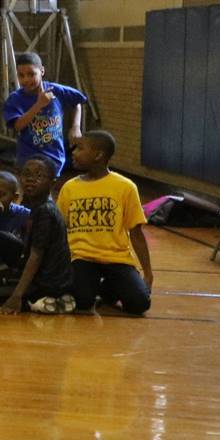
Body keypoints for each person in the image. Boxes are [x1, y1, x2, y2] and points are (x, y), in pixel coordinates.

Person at [53, 130, 153, 316]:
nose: (73, 152)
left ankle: (108, 287)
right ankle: (93, 288)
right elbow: (59, 231)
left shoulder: (125, 187)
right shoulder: (70, 187)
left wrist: (148, 272)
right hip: (81, 258)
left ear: (98, 155)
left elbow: (137, 233)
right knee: (82, 303)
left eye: (80, 148)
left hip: (117, 258)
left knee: (139, 304)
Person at [0, 159, 75, 316]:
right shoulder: (32, 206)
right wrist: (0, 269)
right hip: (34, 274)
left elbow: (36, 256)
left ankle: (52, 300)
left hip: (47, 282)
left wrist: (16, 296)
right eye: (26, 174)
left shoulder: (45, 211)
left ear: (52, 183)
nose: (30, 179)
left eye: (39, 175)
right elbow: (25, 251)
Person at [3, 51, 88, 179]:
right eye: (21, 75)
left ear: (42, 71)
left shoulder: (56, 90)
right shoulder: (15, 99)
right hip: (28, 158)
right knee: (30, 193)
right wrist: (39, 105)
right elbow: (18, 126)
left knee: (48, 195)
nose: (26, 79)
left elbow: (77, 102)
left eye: (31, 74)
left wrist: (75, 126)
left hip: (54, 157)